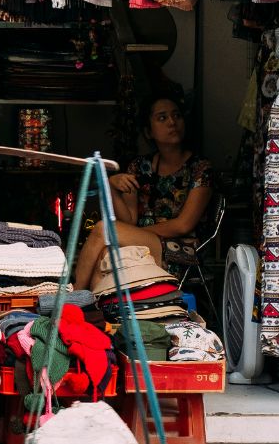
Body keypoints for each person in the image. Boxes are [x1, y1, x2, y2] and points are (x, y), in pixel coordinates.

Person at [75, 86, 216, 292]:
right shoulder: (140, 167)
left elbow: (183, 225)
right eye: (162, 118)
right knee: (106, 253)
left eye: (176, 116)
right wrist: (112, 187)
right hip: (144, 244)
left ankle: (73, 297)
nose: (171, 122)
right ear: (148, 131)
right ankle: (102, 314)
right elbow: (129, 219)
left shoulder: (201, 169)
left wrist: (131, 233)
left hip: (182, 251)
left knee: (103, 229)